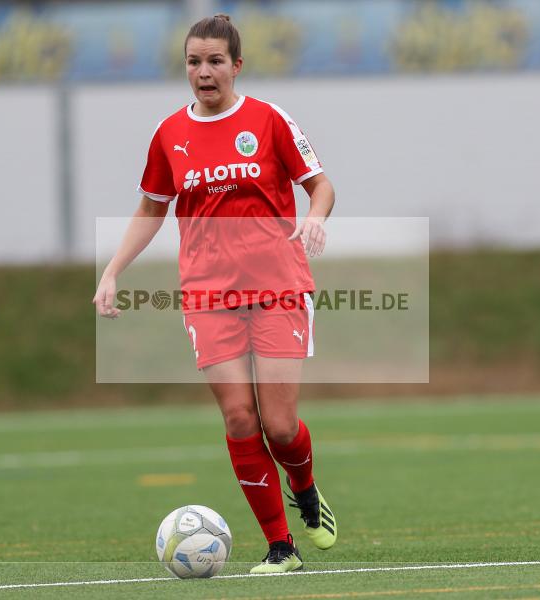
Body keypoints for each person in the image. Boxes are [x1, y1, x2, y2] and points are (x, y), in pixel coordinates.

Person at [92, 14, 336, 574]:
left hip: (278, 287)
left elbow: (319, 184)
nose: (204, 72)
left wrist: (316, 219)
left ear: (236, 66)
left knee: (278, 425)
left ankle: (305, 485)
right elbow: (152, 209)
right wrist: (111, 272)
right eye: (194, 62)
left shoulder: (267, 119)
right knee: (238, 420)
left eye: (215, 61)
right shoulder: (168, 135)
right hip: (207, 295)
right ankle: (281, 547)